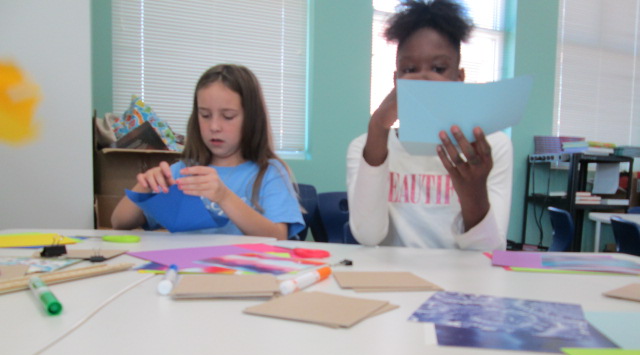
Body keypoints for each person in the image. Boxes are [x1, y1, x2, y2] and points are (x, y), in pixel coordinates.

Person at [347, 0, 512, 250]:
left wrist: (474, 191)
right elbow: (368, 237)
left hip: (461, 274)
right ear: (396, 80)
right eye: (410, 69)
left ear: (459, 78)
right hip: (391, 274)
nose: (424, 78)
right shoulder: (366, 146)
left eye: (438, 68)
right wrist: (377, 128)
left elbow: (489, 251)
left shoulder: (490, 147)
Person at [111, 64, 304, 241]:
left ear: (251, 119)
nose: (214, 126)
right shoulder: (183, 172)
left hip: (244, 267)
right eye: (205, 115)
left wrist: (224, 197)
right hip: (188, 266)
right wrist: (144, 186)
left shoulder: (269, 173)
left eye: (228, 116)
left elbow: (278, 236)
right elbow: (118, 223)